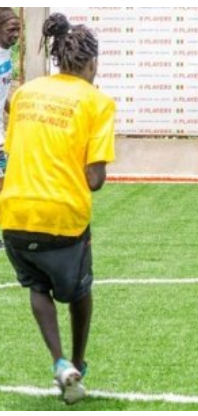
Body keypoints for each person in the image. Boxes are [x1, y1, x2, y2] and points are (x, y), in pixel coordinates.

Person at [0, 13, 115, 405]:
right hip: (62, 217)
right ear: (92, 63)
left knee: (36, 285)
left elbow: (13, 148)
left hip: (13, 214)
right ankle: (78, 364)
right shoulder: (98, 102)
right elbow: (95, 178)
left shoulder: (25, 94)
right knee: (80, 290)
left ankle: (58, 362)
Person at [0, 8, 20, 250]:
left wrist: (13, 109)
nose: (15, 35)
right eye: (11, 30)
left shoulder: (7, 54)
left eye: (18, 30)